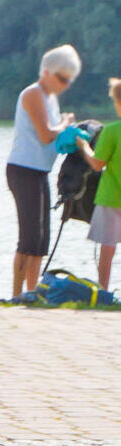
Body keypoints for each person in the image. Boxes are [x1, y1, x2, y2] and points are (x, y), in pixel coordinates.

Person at [8, 44, 82, 300]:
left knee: (41, 240)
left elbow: (54, 137)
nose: (65, 84)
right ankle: (17, 294)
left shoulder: (50, 98)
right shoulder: (33, 94)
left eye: (69, 80)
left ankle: (32, 293)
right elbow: (46, 133)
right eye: (62, 78)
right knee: (28, 238)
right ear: (48, 72)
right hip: (23, 169)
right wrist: (65, 123)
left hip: (40, 170)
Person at [74, 78, 121, 289]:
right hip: (111, 198)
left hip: (111, 197)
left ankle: (103, 291)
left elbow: (96, 164)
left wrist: (84, 146)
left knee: (107, 248)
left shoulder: (111, 131)